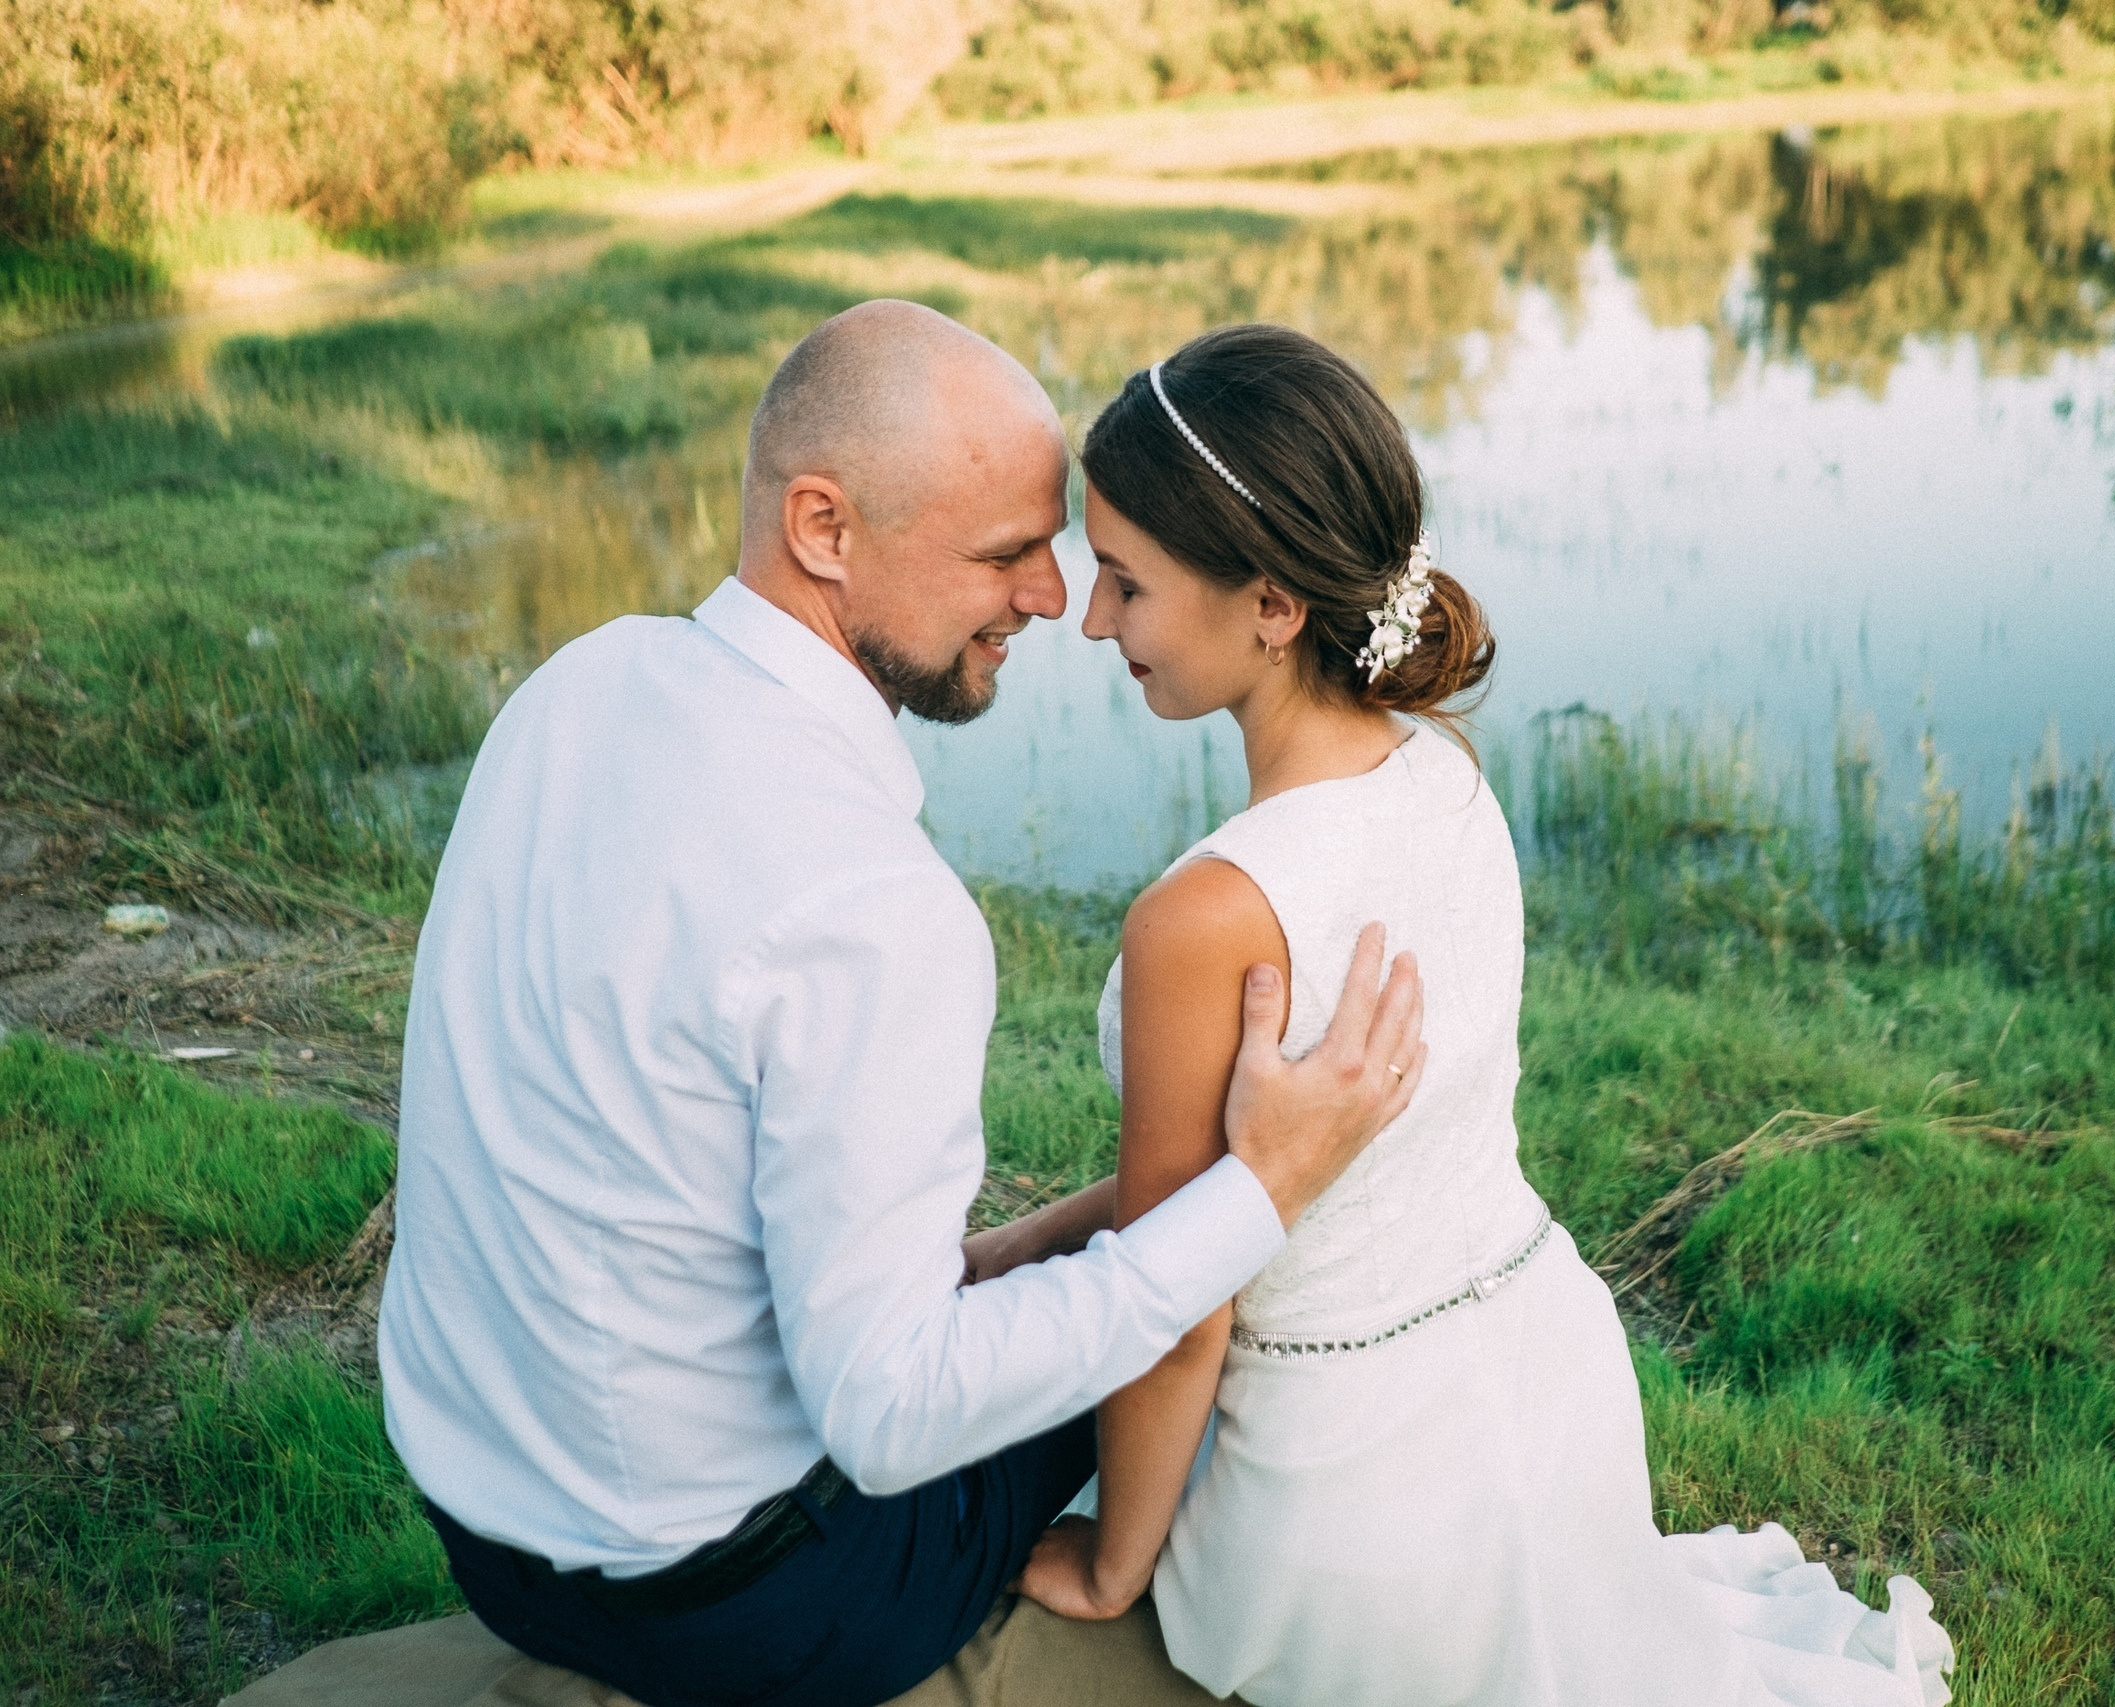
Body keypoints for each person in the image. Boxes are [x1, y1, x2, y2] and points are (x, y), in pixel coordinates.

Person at [372, 301, 1427, 1707]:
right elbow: (891, 1417)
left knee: (1141, 1258)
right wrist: (1259, 1193)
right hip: (739, 1602)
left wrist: (1091, 1228)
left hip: (483, 1527)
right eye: (1003, 553)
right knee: (1218, 1326)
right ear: (824, 528)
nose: (1051, 598)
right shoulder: (872, 907)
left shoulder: (582, 683)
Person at [1010, 323, 1959, 1707]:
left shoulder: (1203, 917)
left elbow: (1181, 1303)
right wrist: (1013, 1251)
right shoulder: (1442, 778)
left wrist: (1113, 1566)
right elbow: (1272, 1180)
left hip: (1343, 1498)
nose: (1094, 622)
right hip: (1549, 1393)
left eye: (1126, 582)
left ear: (1271, 605)